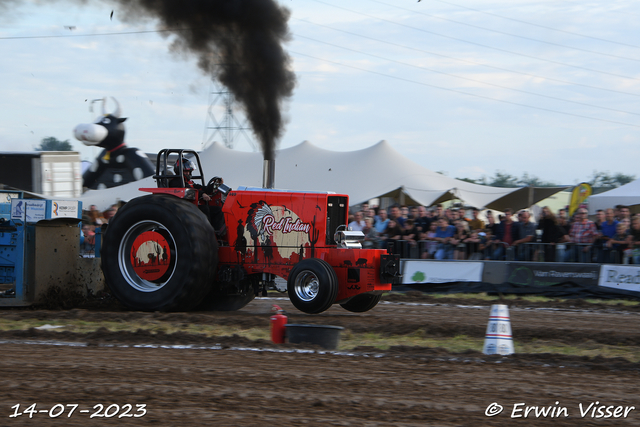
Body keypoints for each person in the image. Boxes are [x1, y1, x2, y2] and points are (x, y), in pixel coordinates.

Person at [169, 156, 225, 233]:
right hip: (184, 207)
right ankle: (208, 232)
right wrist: (202, 194)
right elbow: (189, 190)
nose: (188, 173)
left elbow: (200, 188)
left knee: (218, 210)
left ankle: (217, 233)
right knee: (205, 209)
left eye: (189, 172)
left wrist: (214, 186)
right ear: (179, 171)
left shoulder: (188, 182)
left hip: (192, 205)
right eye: (185, 172)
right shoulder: (177, 182)